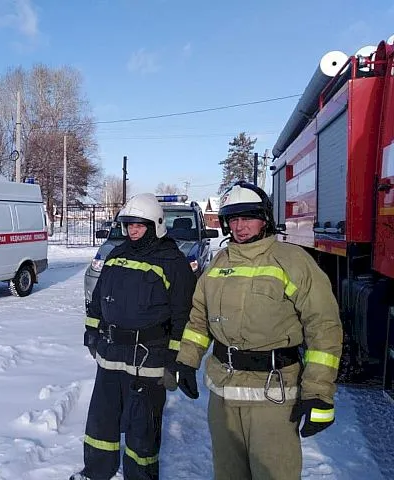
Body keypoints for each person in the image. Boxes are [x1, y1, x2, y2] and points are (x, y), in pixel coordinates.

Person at [173, 181, 343, 480]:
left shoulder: (292, 261)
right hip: (223, 394)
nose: (240, 227)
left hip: (273, 394)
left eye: (247, 217)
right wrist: (187, 360)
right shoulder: (220, 263)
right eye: (233, 219)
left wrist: (318, 392)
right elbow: (199, 316)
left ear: (265, 218)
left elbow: (324, 327)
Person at [71, 193, 197, 480]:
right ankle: (96, 471)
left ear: (156, 225)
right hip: (111, 353)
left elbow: (183, 314)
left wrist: (177, 358)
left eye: (139, 225)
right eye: (128, 225)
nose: (133, 231)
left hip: (149, 358)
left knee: (143, 427)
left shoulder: (172, 262)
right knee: (102, 420)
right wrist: (92, 330)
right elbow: (98, 297)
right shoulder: (117, 254)